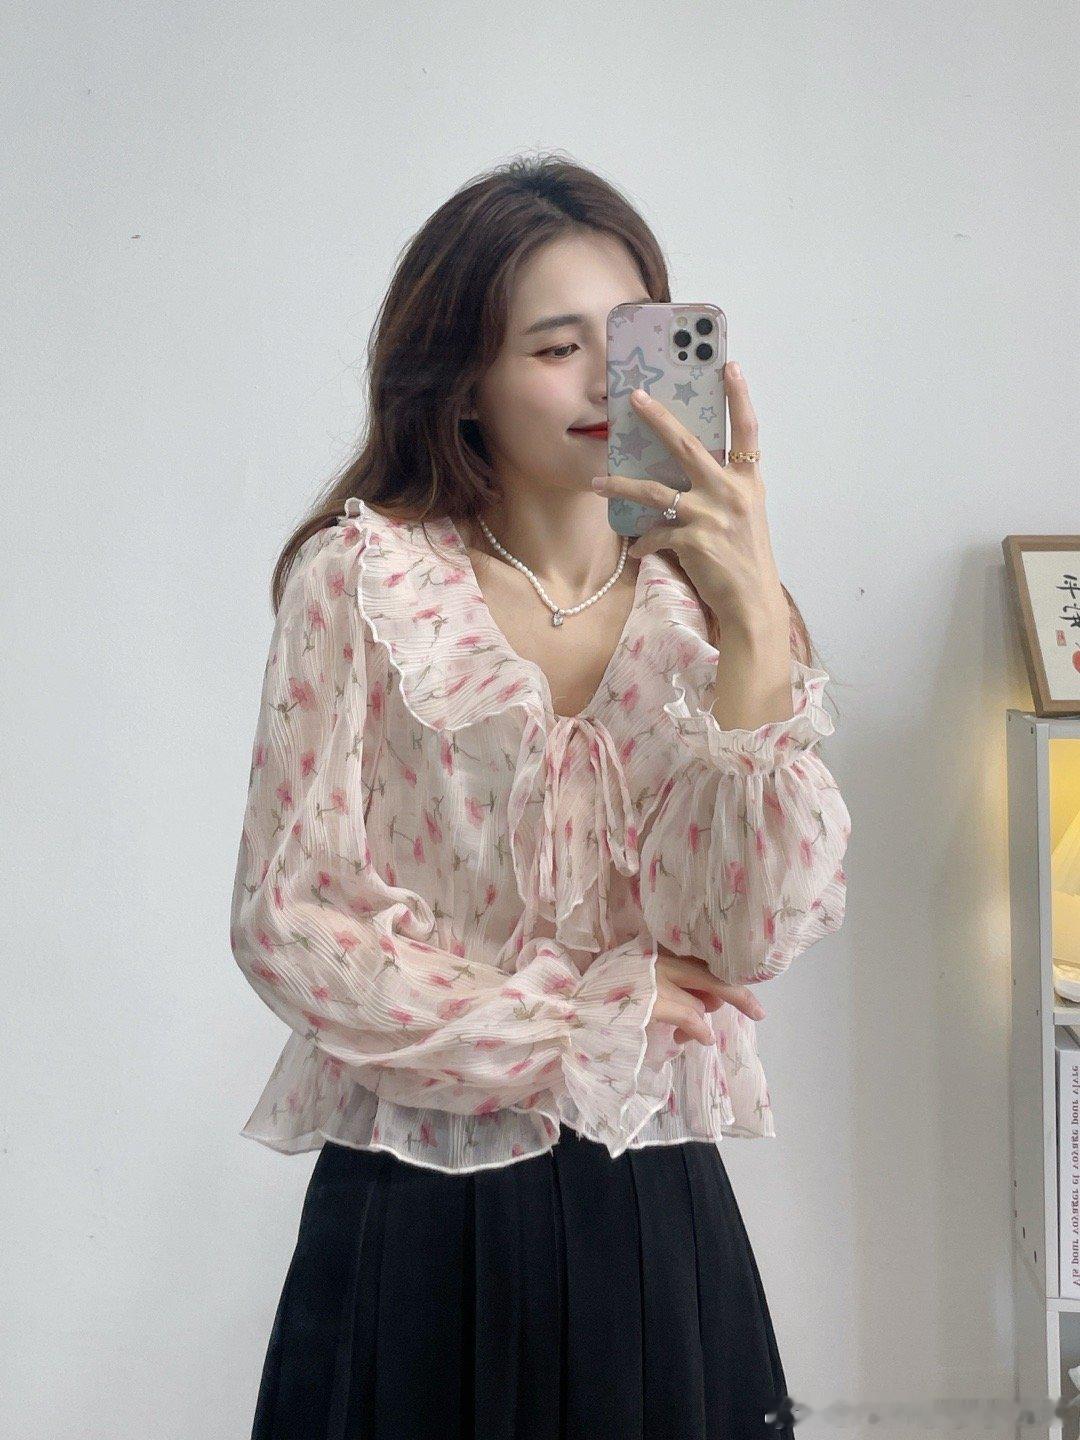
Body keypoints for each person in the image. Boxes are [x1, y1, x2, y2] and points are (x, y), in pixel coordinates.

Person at [229, 152, 851, 1440]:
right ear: (462, 380)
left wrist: (752, 613)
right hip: (416, 1202)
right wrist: (579, 1017)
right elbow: (293, 924)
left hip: (651, 1208)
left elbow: (750, 935)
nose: (606, 382)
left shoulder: (712, 615)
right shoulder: (364, 584)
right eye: (556, 348)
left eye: (630, 341)